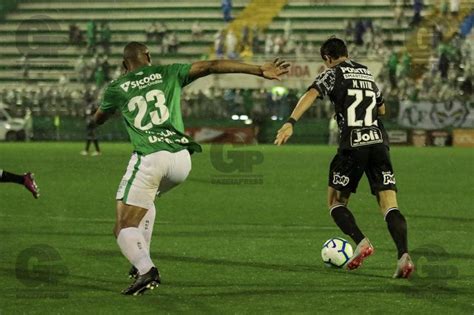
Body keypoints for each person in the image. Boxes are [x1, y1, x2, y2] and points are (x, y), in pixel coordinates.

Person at [92, 42, 289, 295]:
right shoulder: (168, 72)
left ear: (123, 64)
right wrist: (259, 70)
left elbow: (99, 118)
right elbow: (211, 66)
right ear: (148, 57)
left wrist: (105, 112)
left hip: (151, 156)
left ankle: (146, 270)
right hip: (182, 160)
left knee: (122, 226)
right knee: (148, 199)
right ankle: (140, 257)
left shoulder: (117, 88)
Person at [274, 37, 414, 279]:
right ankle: (403, 256)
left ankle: (361, 242)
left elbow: (310, 94)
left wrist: (290, 122)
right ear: (347, 53)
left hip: (353, 144)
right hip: (379, 142)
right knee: (389, 204)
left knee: (336, 202)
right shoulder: (366, 73)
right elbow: (382, 109)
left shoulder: (333, 73)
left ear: (328, 58)